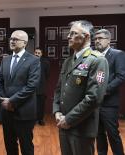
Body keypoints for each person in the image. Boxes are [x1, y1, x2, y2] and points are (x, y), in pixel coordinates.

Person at [53, 20, 109, 155]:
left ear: (87, 36)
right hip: (63, 124)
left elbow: (94, 97)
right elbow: (59, 89)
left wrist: (69, 119)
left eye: (73, 33)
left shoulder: (97, 60)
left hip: (81, 128)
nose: (68, 36)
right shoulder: (68, 61)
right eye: (69, 33)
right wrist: (56, 112)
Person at [0, 30, 40, 155]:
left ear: (25, 43)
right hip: (6, 112)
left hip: (24, 112)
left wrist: (12, 101)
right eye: (11, 39)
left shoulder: (34, 60)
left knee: (26, 147)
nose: (12, 41)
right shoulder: (5, 60)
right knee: (10, 146)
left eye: (15, 39)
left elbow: (31, 86)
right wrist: (5, 100)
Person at [94, 29, 125, 155]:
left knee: (112, 134)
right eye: (95, 39)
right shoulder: (94, 55)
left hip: (109, 103)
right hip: (95, 103)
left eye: (100, 38)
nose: (97, 41)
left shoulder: (118, 54)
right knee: (99, 134)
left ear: (108, 40)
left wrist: (104, 90)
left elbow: (121, 76)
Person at [34, 47, 50, 125]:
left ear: (41, 54)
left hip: (41, 86)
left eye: (38, 53)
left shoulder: (45, 62)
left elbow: (47, 74)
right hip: (32, 87)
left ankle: (40, 119)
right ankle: (33, 120)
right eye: (36, 53)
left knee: (41, 104)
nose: (37, 54)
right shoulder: (30, 61)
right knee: (33, 104)